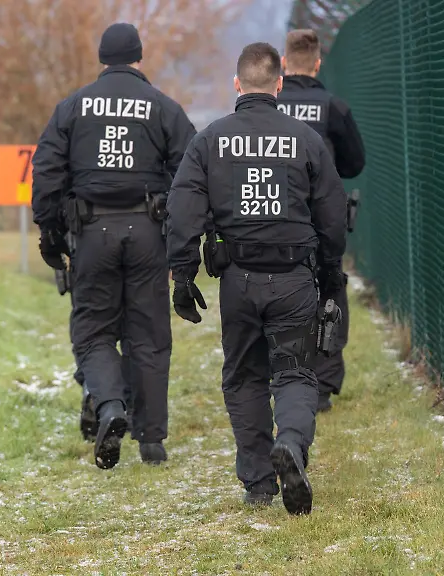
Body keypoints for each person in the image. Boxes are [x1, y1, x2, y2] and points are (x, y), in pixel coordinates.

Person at [166, 42, 348, 515]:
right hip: (293, 280)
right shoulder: (305, 139)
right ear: (280, 84)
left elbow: (183, 209)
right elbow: (330, 216)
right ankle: (289, 443)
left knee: (244, 377)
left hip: (239, 281)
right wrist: (331, 280)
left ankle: (259, 484)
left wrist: (182, 277)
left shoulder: (210, 140)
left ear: (237, 85)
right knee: (295, 374)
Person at [32, 22, 197, 469]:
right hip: (148, 232)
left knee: (95, 331)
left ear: (103, 59)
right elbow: (190, 169)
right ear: (139, 59)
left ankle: (110, 408)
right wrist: (180, 235)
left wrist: (49, 232)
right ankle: (152, 441)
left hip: (91, 233)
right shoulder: (163, 107)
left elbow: (46, 169)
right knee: (148, 334)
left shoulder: (72, 108)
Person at [278, 29, 366, 413]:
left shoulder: (268, 104)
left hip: (275, 216)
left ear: (283, 63)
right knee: (330, 288)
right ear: (317, 63)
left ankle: (285, 372)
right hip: (323, 217)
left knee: (280, 290)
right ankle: (323, 386)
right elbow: (354, 163)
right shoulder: (333, 106)